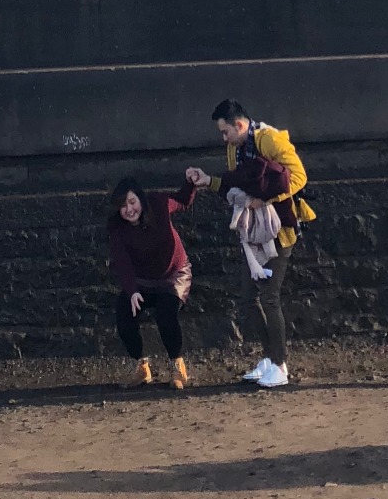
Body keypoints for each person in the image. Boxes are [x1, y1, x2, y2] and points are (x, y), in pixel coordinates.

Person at [185, 98, 315, 389]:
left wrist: (264, 200)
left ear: (239, 125)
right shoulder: (235, 149)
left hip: (279, 231)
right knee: (248, 297)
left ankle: (280, 365)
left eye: (225, 132)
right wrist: (208, 181)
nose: (223, 138)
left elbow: (299, 176)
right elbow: (236, 185)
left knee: (270, 297)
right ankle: (269, 359)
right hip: (253, 234)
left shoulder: (269, 141)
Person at [106, 175, 199, 390]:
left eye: (132, 202)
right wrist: (132, 291)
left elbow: (183, 200)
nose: (129, 209)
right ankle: (141, 367)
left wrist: (190, 182)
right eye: (123, 206)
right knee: (124, 314)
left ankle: (177, 367)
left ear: (140, 199)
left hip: (174, 274)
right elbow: (122, 261)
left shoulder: (159, 204)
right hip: (143, 280)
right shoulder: (117, 227)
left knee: (166, 314)